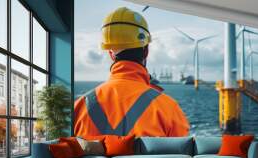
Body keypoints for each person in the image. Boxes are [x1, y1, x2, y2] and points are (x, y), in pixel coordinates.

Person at [74, 7, 189, 138]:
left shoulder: (79, 107)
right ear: (146, 51)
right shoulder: (168, 108)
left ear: (111, 54)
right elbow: (182, 156)